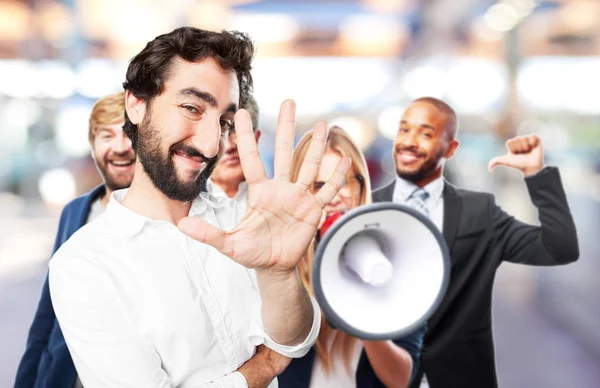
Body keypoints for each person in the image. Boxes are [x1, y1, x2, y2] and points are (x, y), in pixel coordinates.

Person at [48, 27, 352, 387]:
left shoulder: (245, 221)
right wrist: (264, 367)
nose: (211, 145)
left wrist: (280, 274)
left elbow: (293, 339)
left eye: (224, 122)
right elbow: (276, 355)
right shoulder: (84, 265)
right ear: (136, 105)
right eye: (192, 108)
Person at [372, 97, 580, 388]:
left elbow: (559, 248)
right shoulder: (366, 210)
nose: (409, 141)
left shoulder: (479, 212)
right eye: (404, 130)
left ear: (451, 148)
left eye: (426, 134)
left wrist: (536, 175)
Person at [278, 126, 426, 388]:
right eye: (320, 185)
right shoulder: (279, 266)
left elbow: (401, 379)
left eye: (344, 182)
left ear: (361, 186)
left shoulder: (396, 260)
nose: (333, 195)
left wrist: (363, 316)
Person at [15, 91, 135, 388]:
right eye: (106, 136)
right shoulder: (75, 211)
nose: (119, 147)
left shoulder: (165, 217)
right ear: (93, 147)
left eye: (128, 135)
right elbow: (48, 313)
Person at [206, 95, 261, 209]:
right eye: (221, 132)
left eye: (238, 132)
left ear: (256, 138)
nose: (229, 146)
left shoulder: (277, 203)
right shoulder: (180, 205)